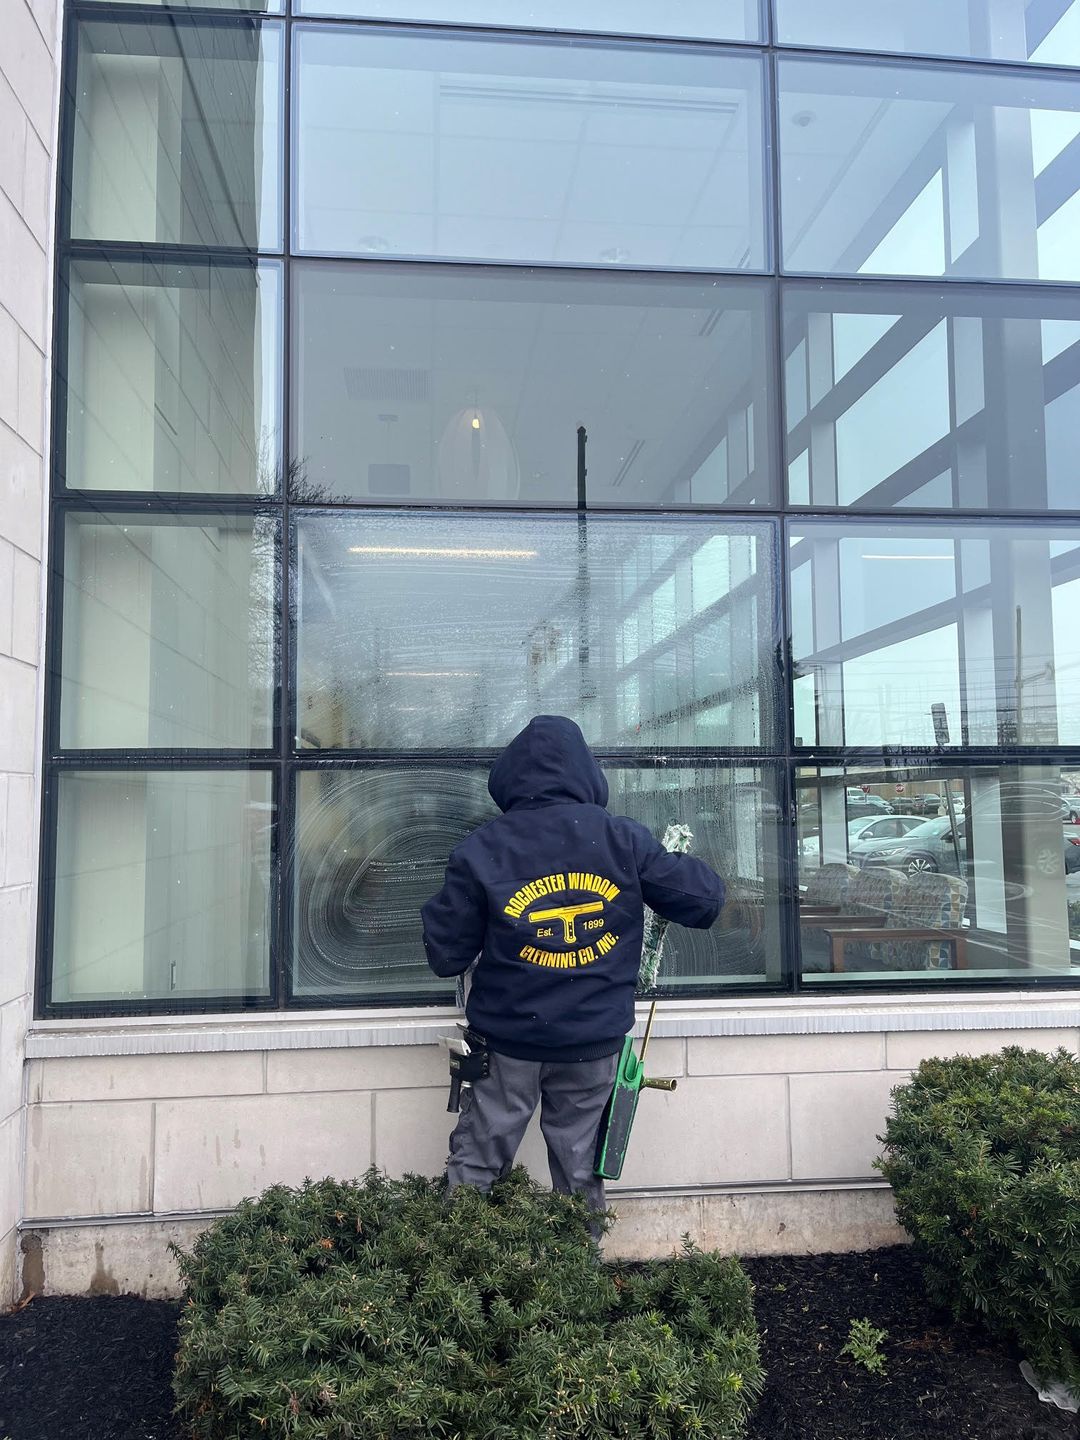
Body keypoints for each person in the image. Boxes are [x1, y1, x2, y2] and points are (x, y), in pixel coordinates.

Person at [421, 713, 725, 1221]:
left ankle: (457, 1284)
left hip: (507, 1046)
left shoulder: (483, 848)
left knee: (474, 1166)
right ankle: (576, 1287)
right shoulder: (622, 840)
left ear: (509, 778)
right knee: (581, 1175)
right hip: (591, 1046)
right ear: (587, 775)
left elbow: (445, 954)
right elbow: (704, 900)